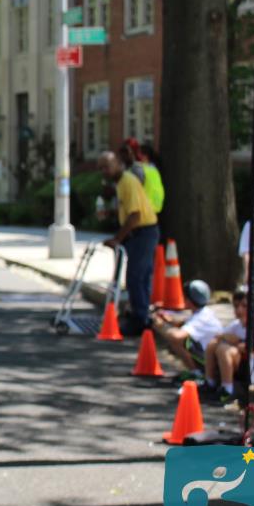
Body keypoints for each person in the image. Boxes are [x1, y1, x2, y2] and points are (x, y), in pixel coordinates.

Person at [98, 151, 160, 335]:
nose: (104, 171)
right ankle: (141, 315)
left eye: (107, 167)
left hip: (144, 231)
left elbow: (135, 216)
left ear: (118, 163)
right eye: (101, 168)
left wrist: (117, 239)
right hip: (140, 232)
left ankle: (139, 320)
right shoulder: (121, 183)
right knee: (140, 276)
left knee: (135, 276)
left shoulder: (128, 181)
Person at [201, 287, 254, 404]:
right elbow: (219, 336)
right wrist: (226, 338)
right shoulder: (236, 325)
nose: (239, 310)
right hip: (243, 366)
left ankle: (228, 389)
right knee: (213, 345)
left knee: (224, 349)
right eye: (236, 306)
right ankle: (210, 382)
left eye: (244, 306)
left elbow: (253, 350)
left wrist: (236, 341)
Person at [151, 280, 222, 382]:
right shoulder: (204, 312)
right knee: (181, 338)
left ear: (189, 300)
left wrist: (161, 326)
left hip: (210, 359)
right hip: (208, 354)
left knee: (177, 341)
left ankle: (197, 373)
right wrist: (168, 320)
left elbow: (177, 336)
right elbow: (184, 324)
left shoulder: (201, 318)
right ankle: (196, 371)